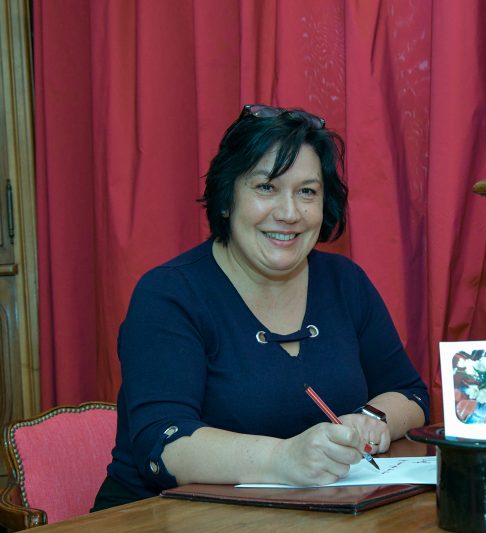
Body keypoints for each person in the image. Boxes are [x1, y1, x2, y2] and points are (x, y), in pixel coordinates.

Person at [92, 104, 430, 510]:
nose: (289, 214)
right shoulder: (169, 294)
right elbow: (163, 444)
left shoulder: (345, 282)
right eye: (266, 188)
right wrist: (284, 459)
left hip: (307, 515)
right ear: (225, 200)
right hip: (162, 516)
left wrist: (371, 419)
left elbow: (411, 395)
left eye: (307, 192)